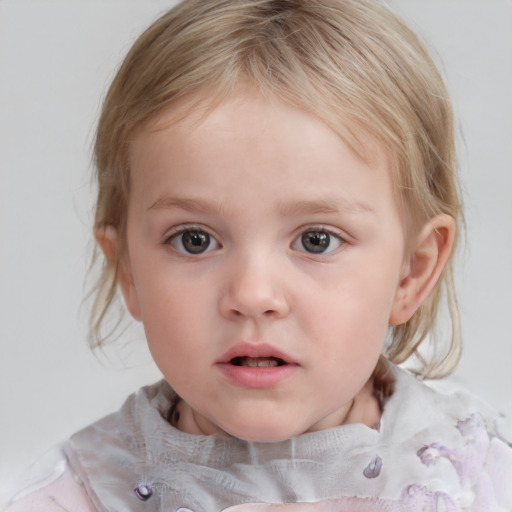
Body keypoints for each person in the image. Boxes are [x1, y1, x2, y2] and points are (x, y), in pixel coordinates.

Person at [5, 0, 512, 510]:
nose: (252, 295)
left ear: (413, 272)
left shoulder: (480, 478)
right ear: (128, 271)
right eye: (194, 239)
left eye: (317, 240)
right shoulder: (73, 497)